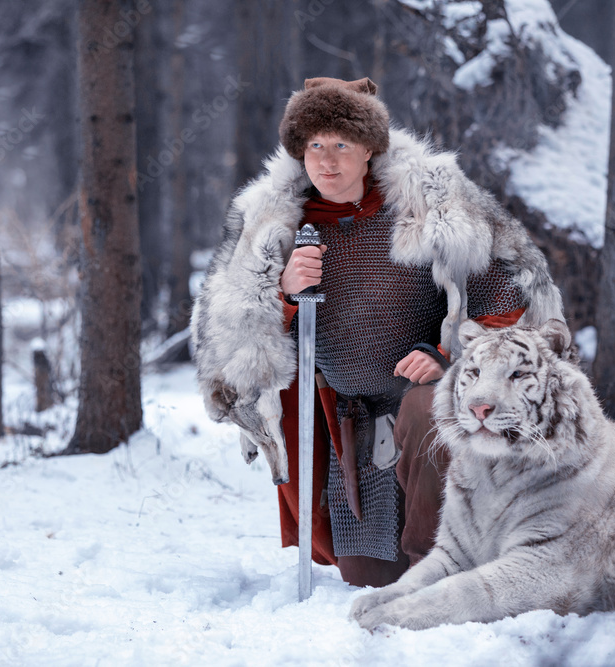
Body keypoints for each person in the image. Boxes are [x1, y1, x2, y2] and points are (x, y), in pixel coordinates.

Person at [191, 77, 564, 587]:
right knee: (366, 574)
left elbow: (503, 295)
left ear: (370, 148)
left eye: (341, 144)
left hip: (430, 393)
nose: (326, 160)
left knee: (423, 413)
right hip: (348, 412)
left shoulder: (427, 211)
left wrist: (444, 353)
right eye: (314, 145)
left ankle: (442, 568)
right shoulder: (277, 228)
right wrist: (283, 290)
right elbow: (237, 335)